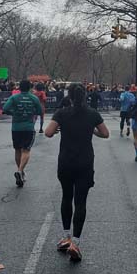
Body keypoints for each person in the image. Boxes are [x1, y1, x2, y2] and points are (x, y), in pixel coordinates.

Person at [45, 83, 109, 262]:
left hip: (66, 161)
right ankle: (76, 242)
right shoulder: (92, 114)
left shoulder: (62, 113)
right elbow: (105, 133)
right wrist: (93, 131)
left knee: (66, 197)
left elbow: (48, 132)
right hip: (85, 162)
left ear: (70, 96)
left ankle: (65, 237)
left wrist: (58, 128)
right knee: (80, 202)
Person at [2, 80, 43, 187]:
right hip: (28, 127)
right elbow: (39, 111)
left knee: (17, 150)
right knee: (26, 150)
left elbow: (5, 109)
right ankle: (20, 171)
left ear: (19, 88)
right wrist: (30, 113)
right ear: (29, 88)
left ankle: (20, 171)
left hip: (16, 127)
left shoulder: (14, 98)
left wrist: (14, 113)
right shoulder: (34, 98)